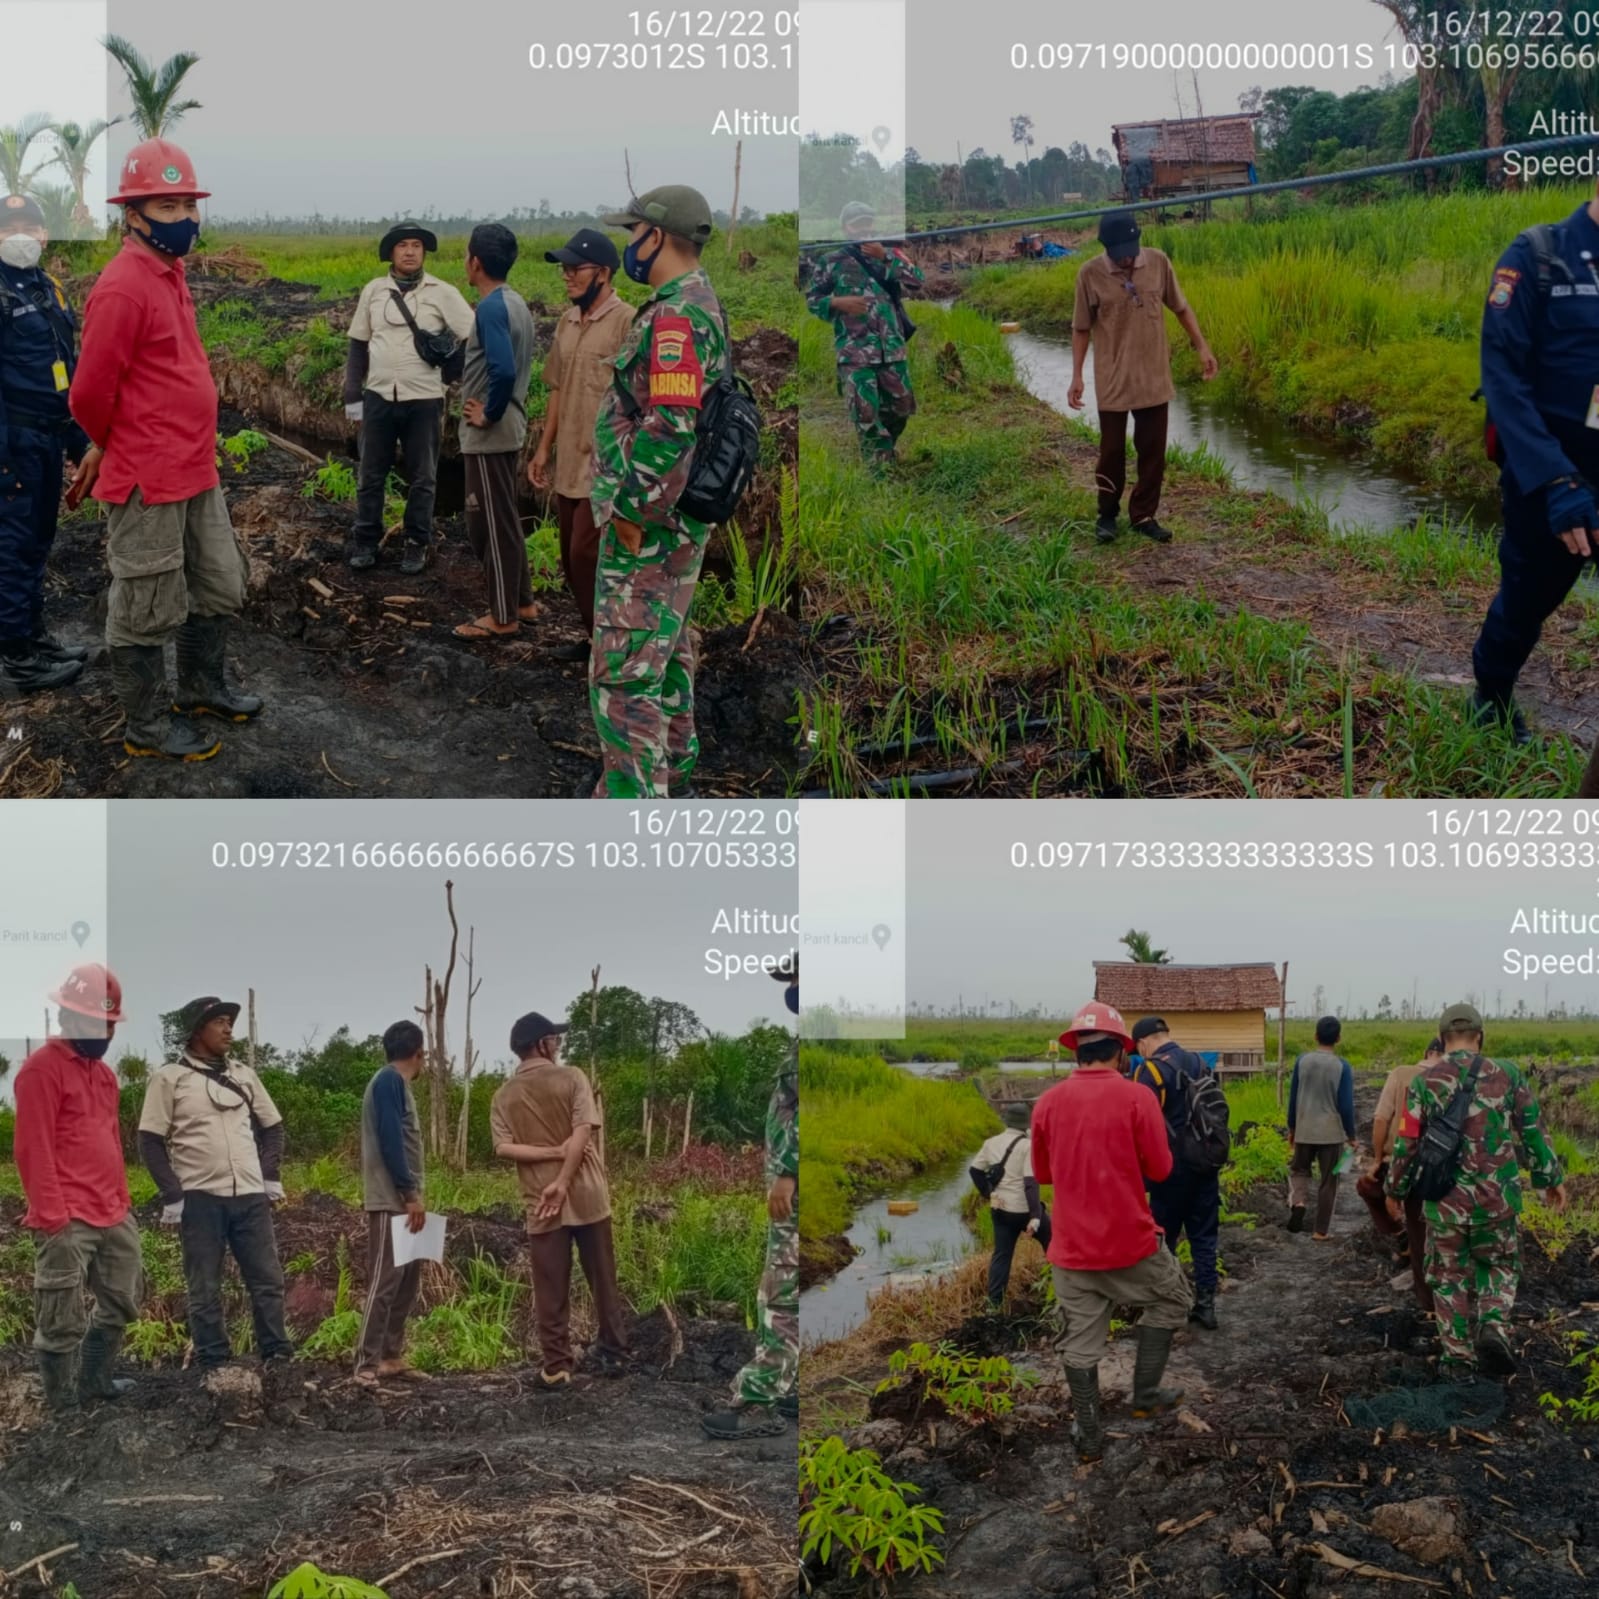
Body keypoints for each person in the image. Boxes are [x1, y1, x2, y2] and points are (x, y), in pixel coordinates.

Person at [68, 139, 261, 762]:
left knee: (218, 582)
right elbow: (89, 394)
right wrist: (110, 443)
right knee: (145, 605)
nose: (182, 218)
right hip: (148, 476)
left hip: (195, 467)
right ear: (133, 214)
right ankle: (147, 727)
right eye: (167, 205)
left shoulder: (169, 274)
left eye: (187, 204)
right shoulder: (123, 287)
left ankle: (201, 687)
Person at [589, 186, 730, 798]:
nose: (628, 245)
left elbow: (672, 424)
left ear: (655, 236)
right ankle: (671, 773)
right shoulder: (690, 304)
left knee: (622, 676)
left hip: (651, 522)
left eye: (632, 234)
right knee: (664, 653)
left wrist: (631, 508)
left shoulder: (675, 316)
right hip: (670, 520)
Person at [1032, 1002, 1192, 1464]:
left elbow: (1043, 1173)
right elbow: (1161, 1170)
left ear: (1075, 1052)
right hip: (1131, 1245)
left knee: (1080, 1344)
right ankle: (1145, 1395)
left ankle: (1088, 1433)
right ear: (1123, 1052)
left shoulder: (1047, 1103)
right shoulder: (1136, 1097)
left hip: (1071, 1250)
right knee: (1173, 1299)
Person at [1470, 177, 1599, 745]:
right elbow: (1502, 377)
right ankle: (1490, 697)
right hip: (1549, 480)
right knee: (1526, 600)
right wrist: (1555, 479)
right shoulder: (1539, 256)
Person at [1387, 1003, 1568, 1380]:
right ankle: (1493, 1326)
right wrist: (1550, 1178)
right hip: (1496, 1201)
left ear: (1442, 1039)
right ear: (1480, 1037)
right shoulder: (1508, 1075)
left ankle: (1457, 1358)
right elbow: (1532, 1131)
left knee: (1448, 1275)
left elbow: (1407, 1143)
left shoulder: (1424, 1083)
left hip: (1445, 1204)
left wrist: (1395, 1188)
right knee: (1498, 1266)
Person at [137, 995, 294, 1371]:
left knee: (267, 1280)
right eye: (219, 1022)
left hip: (250, 1196)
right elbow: (149, 1140)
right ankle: (213, 1360)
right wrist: (173, 1194)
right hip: (200, 1199)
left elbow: (273, 1128)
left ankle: (277, 1355)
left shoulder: (243, 1074)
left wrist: (269, 1174)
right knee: (204, 1286)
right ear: (196, 1031)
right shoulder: (169, 1078)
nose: (228, 1030)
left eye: (230, 1022)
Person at [15, 965, 142, 1412]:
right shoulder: (40, 1071)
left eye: (111, 1024)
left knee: (123, 1300)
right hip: (67, 1215)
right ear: (69, 1016)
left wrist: (123, 1200)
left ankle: (96, 1380)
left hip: (112, 1210)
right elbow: (33, 1149)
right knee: (61, 1316)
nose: (106, 1032)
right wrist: (53, 1217)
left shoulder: (104, 1076)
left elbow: (109, 1141)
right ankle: (63, 1405)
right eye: (98, 1023)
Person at [490, 1011, 629, 1387]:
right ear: (542, 1044)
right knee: (602, 1277)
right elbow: (583, 1133)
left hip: (540, 1200)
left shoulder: (503, 1095)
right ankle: (614, 1353)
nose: (559, 1045)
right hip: (586, 1194)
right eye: (556, 1039)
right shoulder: (572, 1078)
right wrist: (564, 1173)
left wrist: (549, 1159)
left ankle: (556, 1365)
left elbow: (503, 1147)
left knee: (549, 1286)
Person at [1067, 211, 1217, 545]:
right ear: (1106, 247)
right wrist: (1076, 376)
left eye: (1131, 248)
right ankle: (1107, 514)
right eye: (1120, 250)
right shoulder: (1089, 274)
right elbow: (1080, 328)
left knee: (1153, 452)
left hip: (1153, 377)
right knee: (1111, 452)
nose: (1128, 256)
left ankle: (1144, 515)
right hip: (1113, 379)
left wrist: (1202, 348)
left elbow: (1181, 308)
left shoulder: (1158, 262)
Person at [702, 958, 800, 1439]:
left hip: (796, 1190)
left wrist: (787, 1170)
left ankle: (758, 1401)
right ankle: (793, 1390)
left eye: (799, 979)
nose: (793, 989)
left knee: (781, 1295)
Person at [342, 221, 473, 575]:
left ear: (424, 252)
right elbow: (358, 344)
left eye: (417, 245)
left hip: (425, 399)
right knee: (370, 473)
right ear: (392, 253)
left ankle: (417, 542)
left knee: (423, 477)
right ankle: (366, 539)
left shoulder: (442, 292)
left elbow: (472, 335)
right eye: (403, 246)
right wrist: (353, 394)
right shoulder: (374, 291)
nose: (411, 251)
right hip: (379, 397)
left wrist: (450, 374)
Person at [0, 192, 92, 696]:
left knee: (36, 544)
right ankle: (18, 660)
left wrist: (80, 444)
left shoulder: (48, 289)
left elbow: (66, 375)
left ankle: (35, 639)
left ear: (43, 234)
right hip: (13, 442)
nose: (20, 235)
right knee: (12, 550)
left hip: (48, 437)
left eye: (28, 226)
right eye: (8, 226)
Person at [530, 229, 635, 661]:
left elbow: (637, 400)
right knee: (570, 561)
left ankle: (616, 648)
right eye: (564, 269)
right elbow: (556, 388)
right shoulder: (566, 321)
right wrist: (542, 448)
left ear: (604, 273)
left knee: (587, 555)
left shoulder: (627, 321)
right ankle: (597, 640)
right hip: (568, 462)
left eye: (576, 269)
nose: (567, 277)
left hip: (606, 469)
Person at [451, 223, 537, 640]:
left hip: (491, 435)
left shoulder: (488, 308)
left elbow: (502, 369)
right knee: (505, 516)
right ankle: (523, 600)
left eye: (467, 254)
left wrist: (488, 412)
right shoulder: (515, 302)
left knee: (487, 524)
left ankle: (503, 616)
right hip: (511, 429)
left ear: (476, 262)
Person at [804, 201, 923, 472]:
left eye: (868, 222)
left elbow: (917, 279)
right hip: (855, 352)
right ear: (846, 227)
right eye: (858, 224)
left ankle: (886, 450)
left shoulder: (890, 254)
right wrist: (837, 303)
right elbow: (812, 300)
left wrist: (886, 258)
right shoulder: (832, 262)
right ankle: (879, 472)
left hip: (892, 349)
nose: (864, 228)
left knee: (901, 408)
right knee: (866, 415)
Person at [1129, 1016, 1221, 1330]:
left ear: (1142, 1043)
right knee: (1204, 1237)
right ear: (1165, 1034)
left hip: (1169, 1169)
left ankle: (1167, 1304)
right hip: (1206, 1163)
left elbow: (1140, 1126)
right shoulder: (1198, 1062)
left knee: (1163, 1239)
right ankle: (1206, 1306)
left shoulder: (1148, 1070)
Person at [355, 1020, 430, 1387]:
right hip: (392, 1200)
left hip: (407, 1200)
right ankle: (366, 1363)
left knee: (406, 1281)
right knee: (385, 1282)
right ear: (420, 1053)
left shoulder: (398, 1084)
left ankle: (391, 1355)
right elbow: (390, 1139)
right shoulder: (388, 1081)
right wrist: (410, 1194)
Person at [1356, 1037, 1442, 1309]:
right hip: (1441, 1167)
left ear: (1427, 1051)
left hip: (1401, 1158)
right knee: (1430, 1229)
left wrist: (1378, 1158)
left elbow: (1382, 1118)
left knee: (1370, 1188)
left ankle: (1427, 1303)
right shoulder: (1457, 1079)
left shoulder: (1402, 1074)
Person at [971, 1101, 1052, 1311]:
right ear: (1027, 1123)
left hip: (1001, 1209)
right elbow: (1030, 1183)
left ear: (1005, 1121)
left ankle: (994, 1304)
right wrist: (1035, 1216)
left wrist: (990, 1193)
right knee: (1053, 1242)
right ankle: (1061, 1290)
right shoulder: (1027, 1145)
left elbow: (975, 1171)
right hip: (1024, 1210)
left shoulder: (991, 1143)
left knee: (1002, 1255)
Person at [1286, 1016, 1357, 1240]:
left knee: (1299, 1170)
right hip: (1331, 1133)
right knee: (1329, 1180)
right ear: (1338, 1038)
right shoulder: (1342, 1066)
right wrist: (1351, 1135)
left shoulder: (1301, 1061)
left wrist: (1292, 1127)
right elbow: (1345, 1105)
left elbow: (1293, 1097)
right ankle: (1320, 1231)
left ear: (1315, 1036)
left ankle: (1298, 1201)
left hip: (1305, 1128)